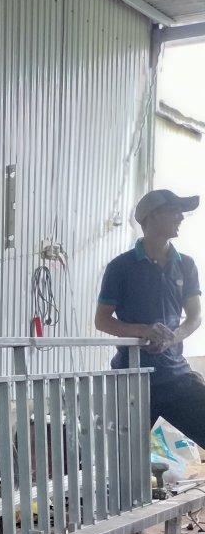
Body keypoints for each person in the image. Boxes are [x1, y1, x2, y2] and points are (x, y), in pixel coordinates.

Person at [95, 189, 204, 443]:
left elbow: (195, 316)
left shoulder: (185, 265)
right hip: (132, 378)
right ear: (152, 215)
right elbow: (102, 320)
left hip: (175, 375)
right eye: (174, 211)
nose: (181, 217)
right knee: (125, 455)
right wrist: (142, 330)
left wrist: (174, 336)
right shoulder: (121, 267)